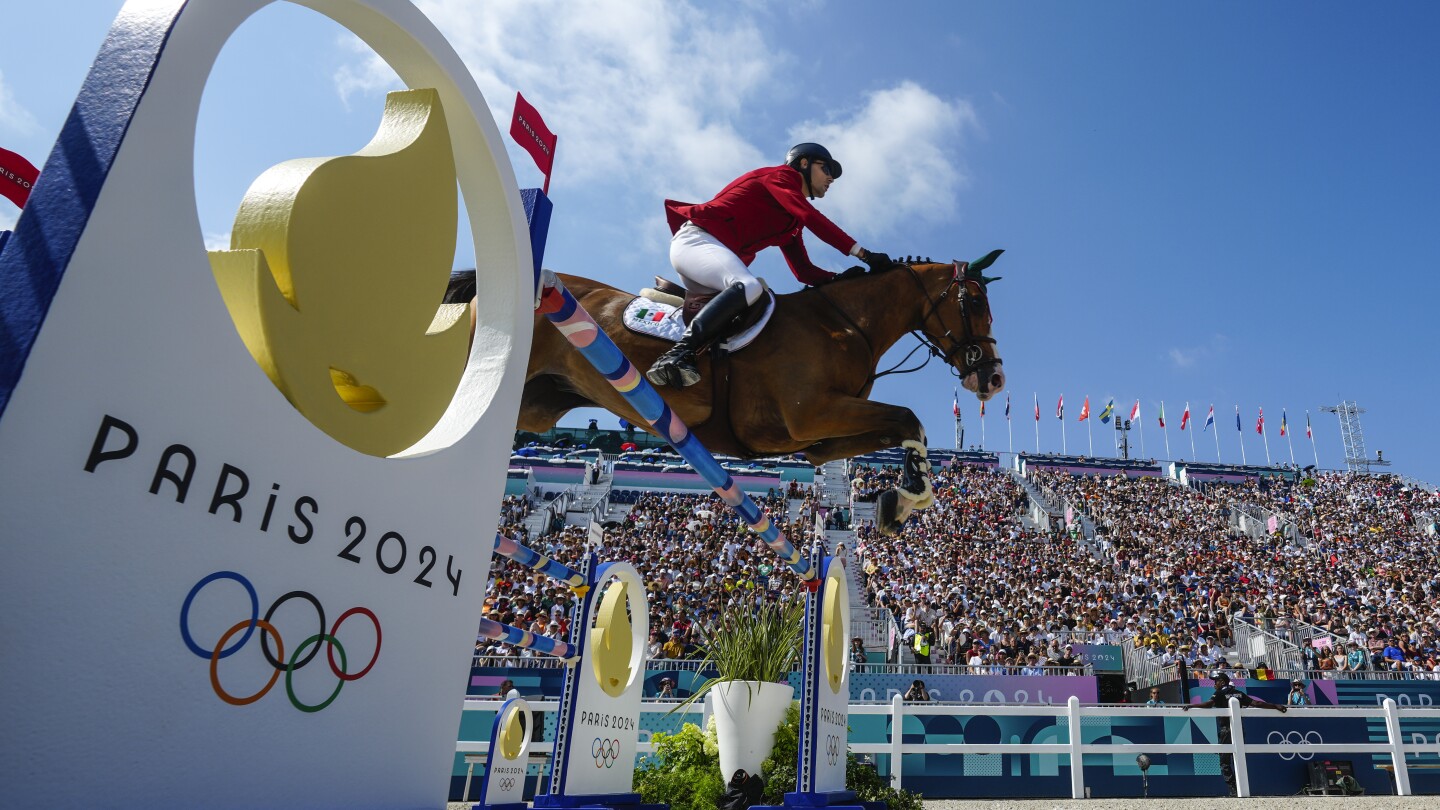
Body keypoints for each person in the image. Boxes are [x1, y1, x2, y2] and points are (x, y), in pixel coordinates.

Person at [646, 143, 892, 388]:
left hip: (710, 259)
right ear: (803, 164)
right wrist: (863, 254)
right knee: (749, 285)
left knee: (753, 307)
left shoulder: (792, 221)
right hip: (696, 242)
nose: (831, 178)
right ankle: (677, 354)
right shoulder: (781, 177)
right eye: (826, 169)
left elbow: (803, 271)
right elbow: (811, 217)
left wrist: (841, 278)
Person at [1184, 672, 1286, 795]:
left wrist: (1191, 705)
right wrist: (1275, 705)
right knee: (1239, 758)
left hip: (1226, 731)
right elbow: (1257, 704)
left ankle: (1234, 789)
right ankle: (1241, 788)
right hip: (1239, 730)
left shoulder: (1220, 692)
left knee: (1224, 762)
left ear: (1222, 682)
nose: (1214, 684)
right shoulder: (1238, 693)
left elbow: (1209, 704)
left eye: (1215, 681)